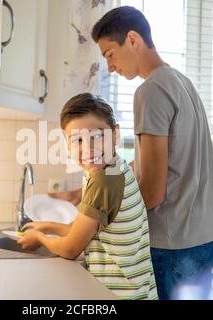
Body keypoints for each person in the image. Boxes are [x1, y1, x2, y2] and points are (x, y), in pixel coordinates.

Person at [89, 6, 213, 300]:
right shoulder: (181, 83)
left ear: (133, 39)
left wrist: (98, 217)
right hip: (207, 238)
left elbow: (152, 192)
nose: (110, 67)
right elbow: (155, 159)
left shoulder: (149, 91)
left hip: (174, 244)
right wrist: (100, 185)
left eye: (109, 54)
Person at [18, 93, 158, 300]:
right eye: (78, 140)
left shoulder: (104, 180)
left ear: (115, 135)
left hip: (119, 295)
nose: (88, 148)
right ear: (67, 145)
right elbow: (87, 230)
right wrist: (47, 226)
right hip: (135, 291)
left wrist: (39, 238)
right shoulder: (112, 167)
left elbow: (71, 248)